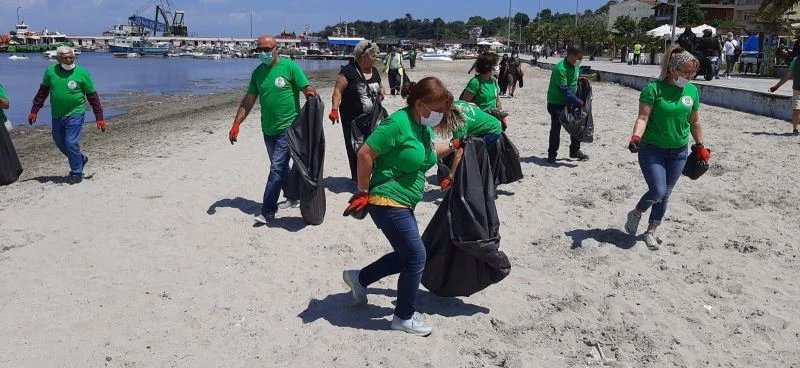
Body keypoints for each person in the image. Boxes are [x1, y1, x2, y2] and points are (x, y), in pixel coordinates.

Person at [341, 77, 463, 336]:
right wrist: (362, 191)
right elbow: (365, 153)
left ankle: (359, 278)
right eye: (438, 110)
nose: (440, 116)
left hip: (405, 202)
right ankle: (403, 317)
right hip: (387, 200)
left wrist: (455, 145)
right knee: (417, 256)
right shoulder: (398, 123)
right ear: (420, 104)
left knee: (406, 255)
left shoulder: (422, 126)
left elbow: (427, 153)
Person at [624, 46, 710, 250]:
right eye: (686, 72)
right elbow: (643, 117)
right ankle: (637, 212)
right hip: (652, 148)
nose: (690, 76)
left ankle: (651, 231)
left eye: (693, 72)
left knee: (666, 193)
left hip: (679, 151)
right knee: (658, 190)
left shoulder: (691, 91)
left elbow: (695, 122)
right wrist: (636, 136)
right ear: (673, 70)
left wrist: (700, 146)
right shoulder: (653, 90)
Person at [227, 35, 317, 224]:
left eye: (267, 49)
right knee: (282, 169)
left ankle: (268, 210)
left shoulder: (290, 67)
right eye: (260, 50)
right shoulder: (258, 73)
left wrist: (310, 93)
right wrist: (236, 124)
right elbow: (249, 100)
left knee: (276, 168)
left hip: (288, 128)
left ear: (277, 49)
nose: (263, 53)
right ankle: (293, 198)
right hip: (268, 129)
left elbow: (306, 87)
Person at [29, 45, 106, 183]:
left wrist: (99, 117)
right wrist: (34, 110)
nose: (69, 60)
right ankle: (80, 159)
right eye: (65, 58)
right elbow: (43, 92)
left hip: (76, 113)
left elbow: (92, 96)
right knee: (59, 142)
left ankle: (76, 172)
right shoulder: (50, 71)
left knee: (71, 142)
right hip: (57, 113)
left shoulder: (82, 73)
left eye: (71, 57)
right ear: (58, 58)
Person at [329, 40, 385, 181]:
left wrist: (382, 91)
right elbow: (337, 91)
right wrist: (334, 109)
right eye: (373, 55)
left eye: (375, 54)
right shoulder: (349, 71)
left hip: (374, 117)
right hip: (353, 119)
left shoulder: (375, 71)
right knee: (356, 148)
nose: (375, 57)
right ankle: (358, 178)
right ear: (362, 55)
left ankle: (373, 174)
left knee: (375, 146)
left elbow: (380, 85)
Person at [439, 100, 503, 189]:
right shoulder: (455, 104)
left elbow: (459, 153)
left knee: (470, 157)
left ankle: (476, 187)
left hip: (492, 131)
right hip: (490, 121)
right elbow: (474, 104)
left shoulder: (458, 125)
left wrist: (450, 176)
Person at [546, 44, 589, 164]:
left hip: (571, 101)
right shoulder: (561, 69)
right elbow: (564, 91)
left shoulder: (575, 65)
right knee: (556, 128)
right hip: (556, 103)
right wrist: (579, 102)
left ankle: (574, 152)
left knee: (576, 127)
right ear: (571, 56)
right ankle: (552, 154)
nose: (580, 61)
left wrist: (581, 80)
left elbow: (574, 78)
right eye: (579, 58)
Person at [768, 55, 800, 136]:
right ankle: (795, 129)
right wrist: (777, 86)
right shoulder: (796, 59)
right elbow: (788, 75)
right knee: (797, 109)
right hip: (797, 89)